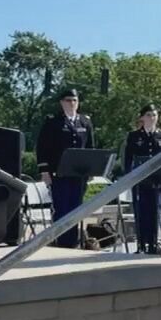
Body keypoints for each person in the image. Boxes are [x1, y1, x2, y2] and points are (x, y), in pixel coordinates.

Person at [35, 88, 95, 248]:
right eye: (68, 100)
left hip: (78, 174)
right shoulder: (53, 122)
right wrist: (44, 171)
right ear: (62, 103)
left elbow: (90, 147)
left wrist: (91, 170)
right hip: (59, 172)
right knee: (62, 208)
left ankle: (72, 242)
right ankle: (61, 241)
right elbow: (42, 148)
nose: (72, 104)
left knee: (76, 208)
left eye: (75, 100)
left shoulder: (85, 121)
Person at [124, 104, 161, 255]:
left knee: (154, 211)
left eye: (154, 115)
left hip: (157, 181)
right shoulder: (134, 136)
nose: (152, 118)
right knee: (141, 212)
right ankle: (141, 244)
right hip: (140, 181)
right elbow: (128, 159)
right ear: (142, 118)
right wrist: (128, 177)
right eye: (149, 115)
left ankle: (153, 243)